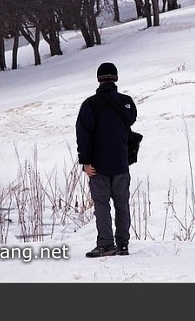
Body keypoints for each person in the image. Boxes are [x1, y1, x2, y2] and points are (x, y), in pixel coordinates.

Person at [76, 62, 138, 258]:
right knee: (122, 204)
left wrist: (85, 161)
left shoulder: (90, 105)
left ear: (98, 79)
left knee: (102, 205)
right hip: (121, 163)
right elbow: (130, 120)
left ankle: (105, 244)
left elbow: (83, 134)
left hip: (98, 165)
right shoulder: (127, 102)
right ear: (116, 78)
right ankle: (123, 245)